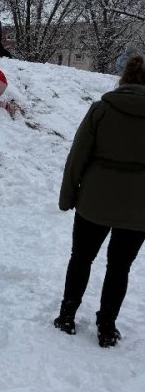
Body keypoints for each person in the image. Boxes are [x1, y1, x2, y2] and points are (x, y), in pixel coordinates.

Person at [55, 54, 145, 348]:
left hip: (94, 201)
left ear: (123, 79)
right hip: (138, 208)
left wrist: (68, 196)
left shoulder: (102, 110)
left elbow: (77, 156)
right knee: (120, 268)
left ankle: (67, 315)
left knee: (81, 258)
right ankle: (107, 327)